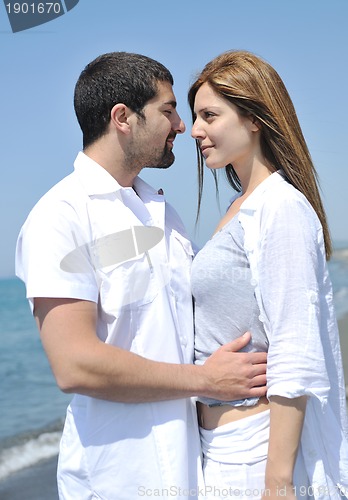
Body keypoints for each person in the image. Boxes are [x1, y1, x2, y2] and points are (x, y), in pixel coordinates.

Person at [15, 52, 267, 500]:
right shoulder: (61, 216)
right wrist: (206, 380)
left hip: (191, 468)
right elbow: (74, 364)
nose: (182, 127)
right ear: (123, 117)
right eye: (168, 110)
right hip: (117, 478)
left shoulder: (163, 214)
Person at [188, 50, 348, 499]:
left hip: (254, 453)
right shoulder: (241, 209)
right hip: (218, 448)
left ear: (254, 118)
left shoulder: (280, 207)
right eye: (195, 117)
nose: (196, 130)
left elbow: (295, 347)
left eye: (209, 115)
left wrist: (278, 482)